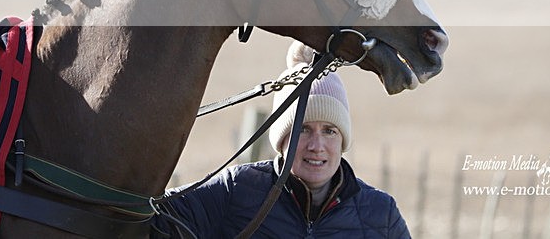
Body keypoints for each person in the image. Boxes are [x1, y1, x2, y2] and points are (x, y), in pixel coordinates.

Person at [156, 41, 411, 238]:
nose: (317, 146)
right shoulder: (235, 191)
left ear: (343, 139)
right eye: (303, 129)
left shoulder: (380, 215)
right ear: (281, 139)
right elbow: (150, 214)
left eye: (329, 131)